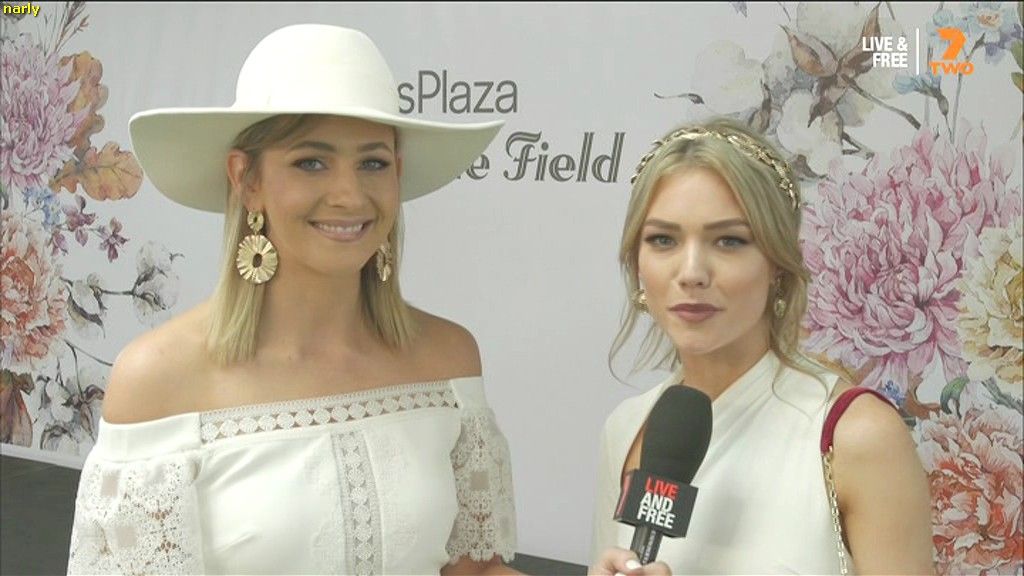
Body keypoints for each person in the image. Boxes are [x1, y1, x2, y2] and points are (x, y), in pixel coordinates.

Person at [65, 24, 520, 575]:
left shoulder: (448, 359)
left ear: (397, 173)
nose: (350, 194)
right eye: (311, 162)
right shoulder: (158, 380)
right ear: (246, 179)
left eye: (373, 162)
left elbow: (473, 570)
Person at [589, 118, 935, 574]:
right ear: (637, 262)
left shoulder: (858, 435)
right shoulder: (627, 427)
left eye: (729, 240)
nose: (691, 272)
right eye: (663, 240)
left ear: (777, 264)